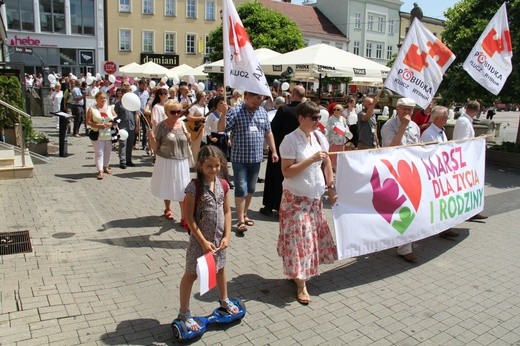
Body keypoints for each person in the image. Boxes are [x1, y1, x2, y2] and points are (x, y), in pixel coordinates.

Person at [277, 101, 338, 304]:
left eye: (319, 117)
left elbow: (327, 162)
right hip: (295, 200)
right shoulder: (290, 140)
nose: (317, 122)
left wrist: (331, 187)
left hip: (314, 200)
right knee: (300, 242)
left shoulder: (319, 137)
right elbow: (286, 171)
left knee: (309, 241)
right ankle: (301, 284)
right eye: (313, 118)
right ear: (301, 118)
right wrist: (310, 160)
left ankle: (300, 274)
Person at [177, 145, 238, 331]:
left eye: (217, 165)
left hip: (218, 241)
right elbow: (189, 217)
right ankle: (184, 312)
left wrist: (227, 236)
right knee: (192, 274)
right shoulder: (193, 188)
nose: (214, 170)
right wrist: (203, 242)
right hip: (199, 242)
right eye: (209, 166)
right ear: (200, 166)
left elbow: (227, 211)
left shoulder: (223, 185)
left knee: (220, 269)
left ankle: (224, 300)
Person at [218, 91, 278, 233]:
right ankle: (240, 221)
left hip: (256, 158)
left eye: (260, 99)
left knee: (251, 189)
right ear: (246, 97)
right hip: (240, 159)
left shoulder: (262, 112)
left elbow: (268, 132)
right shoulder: (236, 111)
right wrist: (223, 114)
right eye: (255, 99)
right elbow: (221, 129)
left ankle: (244, 214)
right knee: (241, 188)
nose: (258, 102)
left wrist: (274, 151)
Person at [381, 97, 421, 262]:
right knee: (400, 208)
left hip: (410, 170)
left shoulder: (415, 126)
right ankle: (403, 247)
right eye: (404, 109)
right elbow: (392, 147)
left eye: (410, 110)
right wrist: (403, 126)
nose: (407, 113)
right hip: (393, 171)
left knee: (408, 207)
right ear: (397, 109)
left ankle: (404, 245)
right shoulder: (389, 126)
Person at [260, 86, 306, 216]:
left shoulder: (284, 110)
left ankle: (269, 206)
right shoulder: (305, 111)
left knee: (274, 177)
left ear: (293, 95)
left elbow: (273, 128)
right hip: (299, 148)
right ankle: (287, 207)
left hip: (280, 147)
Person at [420, 106, 461, 238]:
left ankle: (445, 227)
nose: (447, 119)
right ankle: (435, 227)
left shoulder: (440, 131)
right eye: (445, 116)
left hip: (442, 172)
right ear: (437, 118)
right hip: (434, 174)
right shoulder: (428, 134)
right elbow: (429, 156)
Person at [149, 100, 191, 220]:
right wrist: (151, 138)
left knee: (182, 188)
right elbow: (155, 147)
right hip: (166, 161)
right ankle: (167, 208)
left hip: (181, 161)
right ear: (167, 112)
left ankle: (184, 217)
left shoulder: (182, 124)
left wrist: (188, 138)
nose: (177, 114)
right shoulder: (161, 126)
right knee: (167, 184)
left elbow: (187, 141)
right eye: (173, 112)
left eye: (179, 111)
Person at [453, 100, 488, 221]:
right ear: (477, 111)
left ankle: (472, 210)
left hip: (466, 159)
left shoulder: (466, 121)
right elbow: (463, 142)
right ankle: (468, 212)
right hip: (464, 159)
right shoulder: (464, 122)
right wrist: (477, 140)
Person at [86, 91, 115, 180]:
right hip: (97, 134)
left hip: (109, 134)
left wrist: (111, 124)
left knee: (108, 152)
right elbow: (88, 121)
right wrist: (99, 125)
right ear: (96, 99)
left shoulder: (110, 108)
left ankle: (106, 167)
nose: (103, 100)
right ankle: (100, 171)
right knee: (99, 153)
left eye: (104, 98)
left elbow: (116, 119)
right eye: (101, 98)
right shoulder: (92, 109)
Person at [115, 86, 139, 169]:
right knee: (123, 144)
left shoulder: (133, 103)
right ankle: (122, 161)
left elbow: (136, 115)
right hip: (122, 127)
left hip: (131, 126)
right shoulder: (118, 104)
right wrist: (116, 126)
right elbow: (115, 115)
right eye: (124, 93)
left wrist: (137, 126)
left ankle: (128, 160)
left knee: (130, 144)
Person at [205, 96, 230, 160]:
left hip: (224, 137)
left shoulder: (225, 114)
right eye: (221, 103)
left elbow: (228, 127)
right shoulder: (212, 115)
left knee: (224, 157)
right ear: (216, 105)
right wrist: (211, 138)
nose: (223, 105)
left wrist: (229, 138)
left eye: (224, 103)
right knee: (216, 157)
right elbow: (207, 127)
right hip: (216, 137)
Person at [186, 91, 208, 160]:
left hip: (204, 128)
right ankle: (195, 162)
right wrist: (200, 118)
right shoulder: (194, 107)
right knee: (196, 147)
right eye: (204, 96)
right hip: (197, 129)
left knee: (204, 146)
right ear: (201, 97)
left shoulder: (206, 107)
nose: (206, 97)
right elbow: (189, 117)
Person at [326, 103, 348, 170]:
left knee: (340, 158)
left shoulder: (343, 119)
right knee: (332, 159)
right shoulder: (330, 119)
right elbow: (328, 130)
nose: (335, 111)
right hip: (333, 142)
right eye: (334, 109)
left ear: (341, 111)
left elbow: (346, 128)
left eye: (337, 109)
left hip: (341, 142)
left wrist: (347, 134)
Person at [135, 79, 150, 150]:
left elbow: (147, 102)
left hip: (144, 113)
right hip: (137, 112)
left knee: (145, 128)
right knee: (136, 128)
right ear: (139, 85)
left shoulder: (146, 93)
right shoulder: (135, 93)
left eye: (145, 85)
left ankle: (144, 144)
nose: (144, 87)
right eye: (142, 85)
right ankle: (134, 143)